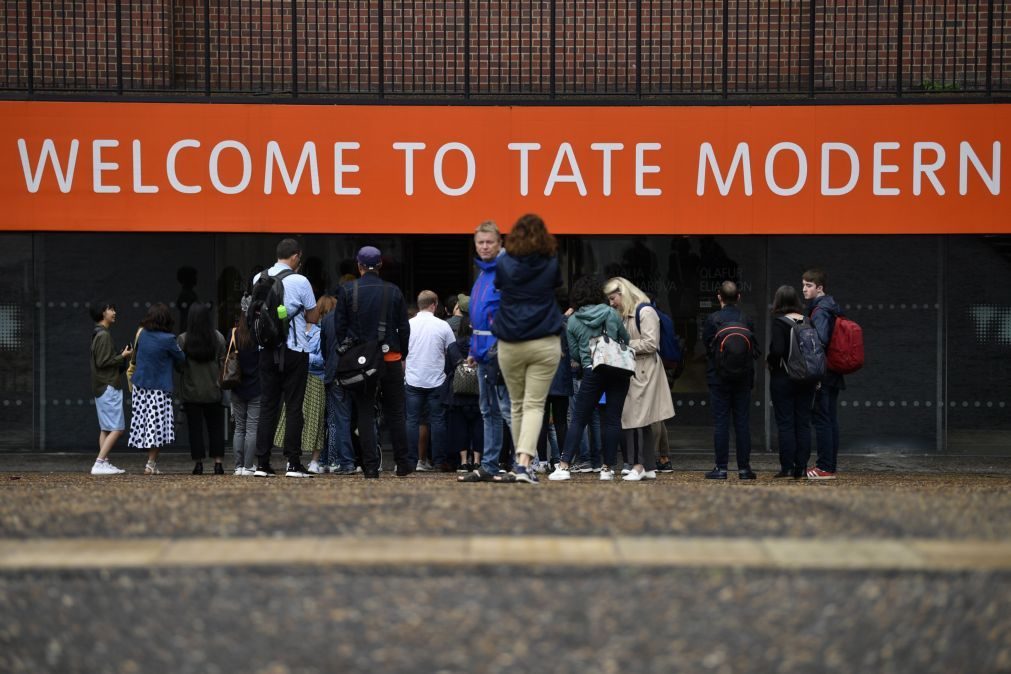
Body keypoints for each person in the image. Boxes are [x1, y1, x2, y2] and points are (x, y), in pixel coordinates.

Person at [487, 213, 563, 485]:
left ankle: (521, 464)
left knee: (517, 404)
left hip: (510, 339)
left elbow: (499, 287)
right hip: (544, 338)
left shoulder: (504, 263)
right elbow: (555, 287)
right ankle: (523, 465)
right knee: (534, 405)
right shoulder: (551, 262)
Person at [331, 246, 412, 478]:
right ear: (380, 266)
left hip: (362, 362)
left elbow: (340, 328)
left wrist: (350, 353)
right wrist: (402, 353)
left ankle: (370, 467)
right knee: (396, 412)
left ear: (359, 266)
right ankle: (403, 463)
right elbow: (404, 328)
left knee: (365, 412)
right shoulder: (394, 291)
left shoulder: (347, 291)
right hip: (390, 357)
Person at [549, 275, 632, 481]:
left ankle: (564, 465)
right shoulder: (611, 313)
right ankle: (607, 468)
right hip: (616, 368)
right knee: (612, 419)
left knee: (579, 418)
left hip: (591, 369)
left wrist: (588, 355)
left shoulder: (574, 320)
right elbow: (625, 339)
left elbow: (575, 353)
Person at [252, 238, 320, 478]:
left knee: (268, 406)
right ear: (295, 256)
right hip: (294, 349)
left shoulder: (259, 278)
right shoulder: (300, 280)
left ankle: (262, 463)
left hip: (266, 351)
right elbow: (312, 317)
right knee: (293, 407)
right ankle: (293, 463)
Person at [604, 276, 675, 482]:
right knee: (642, 419)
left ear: (622, 293)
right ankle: (648, 466)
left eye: (612, 298)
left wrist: (622, 346)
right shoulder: (629, 313)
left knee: (634, 418)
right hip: (637, 369)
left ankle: (637, 465)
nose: (611, 302)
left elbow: (651, 344)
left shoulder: (644, 311)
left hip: (643, 370)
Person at [459, 221, 513, 483]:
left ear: (500, 243)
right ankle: (490, 465)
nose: (484, 246)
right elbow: (480, 315)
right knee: (489, 410)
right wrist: (473, 348)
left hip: (500, 350)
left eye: (489, 242)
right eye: (480, 242)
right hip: (483, 351)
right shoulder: (484, 273)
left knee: (508, 409)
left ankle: (524, 464)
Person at [274, 295, 337, 474]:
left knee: (316, 420)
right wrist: (301, 357)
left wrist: (300, 357)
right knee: (292, 419)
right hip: (296, 379)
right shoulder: (292, 331)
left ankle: (314, 460)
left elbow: (321, 358)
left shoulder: (319, 331)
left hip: (315, 379)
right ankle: (292, 458)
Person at [701, 280, 757, 480]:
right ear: (739, 297)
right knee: (742, 422)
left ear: (719, 297)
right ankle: (744, 469)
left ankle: (721, 468)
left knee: (721, 423)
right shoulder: (746, 319)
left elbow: (707, 346)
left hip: (719, 378)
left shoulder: (713, 319)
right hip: (743, 378)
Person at [128, 303, 185, 474]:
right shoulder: (168, 339)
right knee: (157, 427)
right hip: (158, 388)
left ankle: (151, 463)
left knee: (144, 424)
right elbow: (181, 357)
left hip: (141, 386)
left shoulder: (143, 334)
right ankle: (150, 464)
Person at [768, 285, 817, 479]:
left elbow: (778, 351)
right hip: (806, 378)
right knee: (803, 423)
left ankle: (787, 468)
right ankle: (802, 468)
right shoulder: (807, 321)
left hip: (784, 378)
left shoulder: (780, 322)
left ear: (778, 301)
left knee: (786, 423)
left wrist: (770, 363)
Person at [406, 290, 456, 472]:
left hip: (413, 379)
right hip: (436, 380)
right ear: (434, 305)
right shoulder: (443, 326)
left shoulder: (408, 324)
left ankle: (411, 461)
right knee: (438, 421)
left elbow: (402, 351)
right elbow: (452, 352)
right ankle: (439, 461)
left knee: (411, 421)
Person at [802, 268, 844, 480]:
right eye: (803, 285)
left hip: (822, 372)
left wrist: (813, 374)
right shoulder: (830, 307)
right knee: (829, 419)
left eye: (809, 285)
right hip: (833, 370)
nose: (804, 289)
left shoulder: (820, 311)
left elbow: (820, 340)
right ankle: (830, 465)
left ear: (820, 288)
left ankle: (824, 467)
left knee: (822, 419)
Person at [178, 302, 227, 475]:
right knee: (216, 428)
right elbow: (223, 364)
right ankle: (218, 464)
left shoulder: (183, 339)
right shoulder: (218, 338)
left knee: (195, 429)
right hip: (214, 390)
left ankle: (198, 464)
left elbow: (179, 365)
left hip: (192, 392)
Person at [89, 301, 132, 475]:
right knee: (118, 428)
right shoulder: (103, 335)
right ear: (102, 313)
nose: (114, 312)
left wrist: (120, 357)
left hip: (101, 386)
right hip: (108, 386)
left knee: (106, 428)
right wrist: (122, 356)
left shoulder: (98, 333)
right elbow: (103, 362)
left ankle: (104, 462)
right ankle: (99, 463)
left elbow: (104, 362)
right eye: (110, 309)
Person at [445, 316, 483, 471]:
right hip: (478, 393)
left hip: (458, 394)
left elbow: (447, 369)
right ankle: (477, 460)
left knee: (460, 428)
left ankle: (463, 461)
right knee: (478, 427)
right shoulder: (480, 346)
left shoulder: (453, 347)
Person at [230, 295, 261, 476]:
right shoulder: (258, 333)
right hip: (256, 385)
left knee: (239, 428)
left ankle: (238, 466)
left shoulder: (234, 333)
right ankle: (249, 466)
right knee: (251, 427)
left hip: (237, 384)